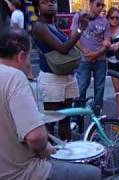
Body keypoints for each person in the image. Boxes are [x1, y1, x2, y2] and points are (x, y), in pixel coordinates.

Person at [0, 26, 101, 180]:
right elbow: (35, 137)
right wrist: (45, 148)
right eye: (28, 58)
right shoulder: (15, 78)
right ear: (21, 56)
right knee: (93, 173)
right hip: (22, 173)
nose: (28, 64)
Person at [32, 0, 89, 140]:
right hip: (52, 79)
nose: (50, 4)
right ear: (38, 6)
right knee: (49, 121)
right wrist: (80, 29)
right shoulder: (39, 26)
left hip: (68, 77)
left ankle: (66, 149)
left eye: (53, 1)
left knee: (65, 118)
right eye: (45, 2)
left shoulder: (53, 24)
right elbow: (63, 48)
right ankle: (49, 154)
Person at [71, 0, 111, 115]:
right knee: (82, 86)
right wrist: (85, 51)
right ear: (90, 4)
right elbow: (73, 36)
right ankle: (77, 116)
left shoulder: (104, 21)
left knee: (99, 88)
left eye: (102, 5)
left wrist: (96, 54)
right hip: (84, 59)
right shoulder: (79, 17)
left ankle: (97, 114)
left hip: (100, 59)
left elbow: (107, 41)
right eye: (97, 5)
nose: (100, 8)